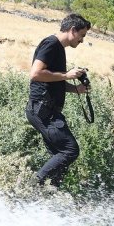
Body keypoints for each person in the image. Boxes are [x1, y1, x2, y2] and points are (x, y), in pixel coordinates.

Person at [26, 13, 91, 187]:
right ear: (72, 30)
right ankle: (31, 187)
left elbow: (52, 81)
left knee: (61, 155)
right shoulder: (51, 44)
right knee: (70, 150)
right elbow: (36, 74)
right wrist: (67, 75)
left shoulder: (58, 48)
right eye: (82, 35)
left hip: (46, 110)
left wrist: (75, 88)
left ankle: (51, 192)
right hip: (42, 110)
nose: (82, 40)